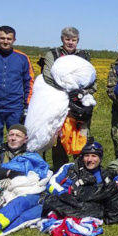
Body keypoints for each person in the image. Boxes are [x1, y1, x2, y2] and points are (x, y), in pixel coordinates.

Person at [39, 26, 96, 169]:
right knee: (59, 138)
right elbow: (48, 76)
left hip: (80, 102)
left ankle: (82, 170)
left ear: (78, 41)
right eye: (67, 39)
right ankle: (60, 172)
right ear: (62, 39)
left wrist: (81, 93)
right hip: (59, 100)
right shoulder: (53, 54)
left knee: (81, 137)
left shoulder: (84, 56)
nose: (70, 42)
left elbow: (91, 77)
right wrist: (66, 90)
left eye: (74, 40)